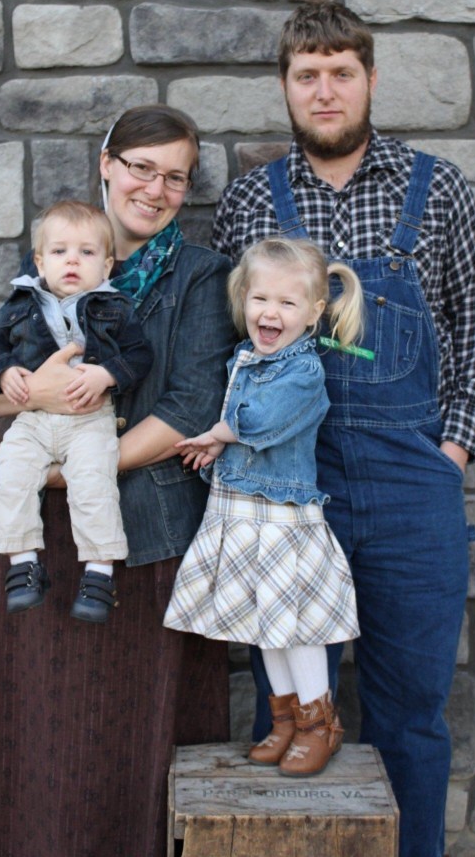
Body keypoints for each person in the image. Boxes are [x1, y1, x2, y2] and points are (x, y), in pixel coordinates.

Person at [211, 4, 475, 857]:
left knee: (409, 715)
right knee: (291, 708)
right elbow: (228, 344)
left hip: (412, 493)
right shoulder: (250, 201)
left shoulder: (436, 187)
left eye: (342, 72)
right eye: (307, 74)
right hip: (287, 491)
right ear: (285, 87)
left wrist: (449, 454)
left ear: (370, 79)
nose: (325, 90)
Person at [0, 104, 235, 857]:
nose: (156, 188)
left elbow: (190, 407)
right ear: (107, 165)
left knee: (131, 739)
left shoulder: (202, 276)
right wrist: (32, 391)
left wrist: (72, 470)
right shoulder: (51, 266)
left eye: (176, 177)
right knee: (41, 731)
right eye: (142, 168)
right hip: (40, 540)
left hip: (145, 534)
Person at [164, 237, 363, 777]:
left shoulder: (303, 372)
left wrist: (217, 435)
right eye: (260, 299)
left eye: (287, 303)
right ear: (243, 300)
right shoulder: (244, 359)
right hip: (240, 515)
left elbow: (262, 421)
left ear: (314, 313)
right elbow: (241, 425)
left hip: (281, 522)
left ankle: (319, 723)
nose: (270, 313)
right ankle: (285, 720)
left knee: (296, 629)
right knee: (264, 626)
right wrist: (218, 449)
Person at [0, 199, 153, 622]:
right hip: (34, 419)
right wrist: (4, 372)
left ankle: (99, 573)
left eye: (86, 252)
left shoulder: (115, 307)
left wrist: (107, 374)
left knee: (94, 483)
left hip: (90, 420)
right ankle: (23, 564)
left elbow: (139, 355)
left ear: (105, 266)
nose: (72, 260)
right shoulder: (21, 303)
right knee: (11, 472)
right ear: (40, 262)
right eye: (59, 251)